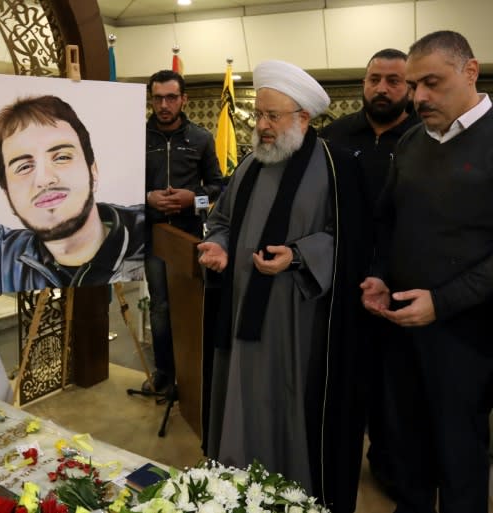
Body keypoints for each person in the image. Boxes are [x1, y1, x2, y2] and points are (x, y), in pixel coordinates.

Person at [199, 60, 367, 512]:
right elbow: (222, 220)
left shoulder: (335, 167)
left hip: (296, 319)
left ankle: (288, 493)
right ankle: (237, 487)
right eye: (259, 116)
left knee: (287, 404)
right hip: (240, 312)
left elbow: (348, 241)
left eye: (274, 116)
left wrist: (297, 256)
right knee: (240, 397)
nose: (263, 126)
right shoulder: (250, 164)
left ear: (303, 119)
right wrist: (217, 247)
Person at [361, 30, 493, 513]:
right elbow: (388, 218)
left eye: (431, 83)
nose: (418, 97)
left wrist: (442, 302)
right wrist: (380, 275)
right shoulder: (414, 141)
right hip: (401, 328)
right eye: (414, 85)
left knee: (460, 460)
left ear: (470, 72)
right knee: (406, 450)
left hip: (468, 338)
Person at [319, 48, 419, 497]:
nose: (382, 88)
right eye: (374, 78)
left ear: (409, 87)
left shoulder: (425, 137)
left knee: (395, 387)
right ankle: (338, 460)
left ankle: (391, 463)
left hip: (406, 283)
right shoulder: (334, 136)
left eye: (394, 80)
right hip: (342, 281)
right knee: (345, 374)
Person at [0, 94, 144, 293]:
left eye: (61, 157)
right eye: (24, 167)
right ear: (7, 194)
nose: (44, 179)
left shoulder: (145, 239)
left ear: (93, 171)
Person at [144, 69, 222, 393]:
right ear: (151, 99)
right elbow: (119, 189)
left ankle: (192, 381)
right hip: (154, 236)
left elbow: (218, 188)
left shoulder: (201, 139)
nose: (164, 104)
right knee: (160, 306)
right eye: (158, 97)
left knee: (190, 306)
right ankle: (164, 372)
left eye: (171, 97)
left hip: (190, 237)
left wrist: (194, 199)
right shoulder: (136, 137)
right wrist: (146, 198)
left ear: (183, 99)